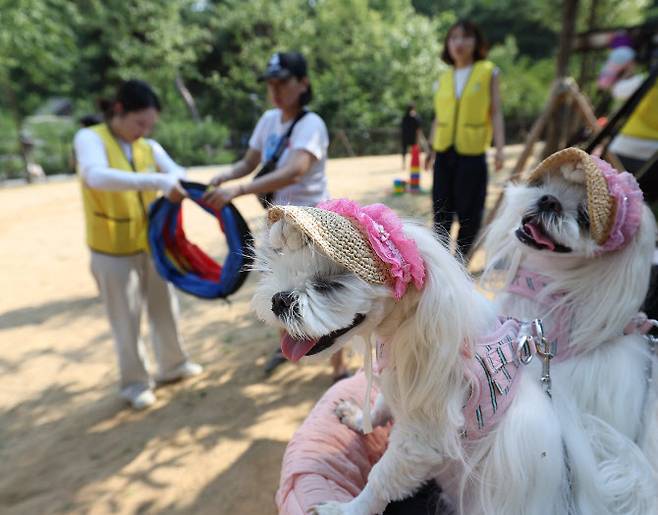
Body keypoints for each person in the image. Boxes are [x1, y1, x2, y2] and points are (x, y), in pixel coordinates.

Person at [203, 51, 349, 381]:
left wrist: (238, 190)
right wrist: (225, 176)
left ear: (303, 84)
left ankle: (338, 368)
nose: (275, 89)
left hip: (313, 223)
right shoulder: (269, 119)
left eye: (282, 82)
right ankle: (286, 344)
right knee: (278, 288)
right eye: (271, 83)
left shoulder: (311, 124)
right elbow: (249, 161)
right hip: (278, 223)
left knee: (323, 294)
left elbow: (296, 169)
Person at [74, 79, 202, 410]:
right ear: (118, 110)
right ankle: (134, 384)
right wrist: (158, 181)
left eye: (149, 124)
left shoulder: (148, 147)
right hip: (111, 250)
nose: (143, 131)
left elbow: (178, 172)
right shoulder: (90, 138)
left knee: (165, 308)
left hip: (151, 245)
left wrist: (179, 180)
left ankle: (173, 365)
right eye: (139, 123)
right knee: (125, 319)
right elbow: (95, 176)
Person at [425, 20, 505, 261]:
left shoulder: (488, 72)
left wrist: (500, 149)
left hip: (472, 153)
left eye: (465, 37)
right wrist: (431, 149)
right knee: (441, 214)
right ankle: (439, 264)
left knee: (469, 215)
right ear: (447, 44)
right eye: (453, 38)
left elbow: (496, 112)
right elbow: (439, 117)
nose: (459, 43)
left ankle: (460, 263)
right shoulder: (443, 78)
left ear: (476, 42)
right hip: (444, 153)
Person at [400, 103, 426, 169]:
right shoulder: (416, 117)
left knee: (404, 150)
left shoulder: (404, 117)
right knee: (415, 151)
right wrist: (418, 139)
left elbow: (402, 127)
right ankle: (415, 163)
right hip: (413, 137)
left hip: (405, 136)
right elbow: (418, 128)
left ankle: (404, 164)